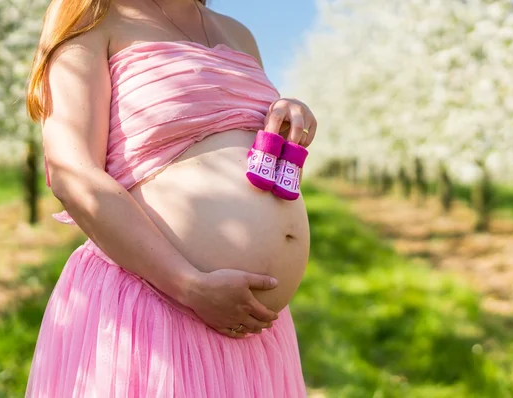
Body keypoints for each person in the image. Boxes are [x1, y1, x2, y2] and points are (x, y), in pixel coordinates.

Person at [24, 0, 317, 396]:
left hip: (254, 329)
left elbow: (239, 139)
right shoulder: (94, 23)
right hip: (156, 307)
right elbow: (71, 172)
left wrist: (285, 114)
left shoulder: (238, 33)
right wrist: (189, 285)